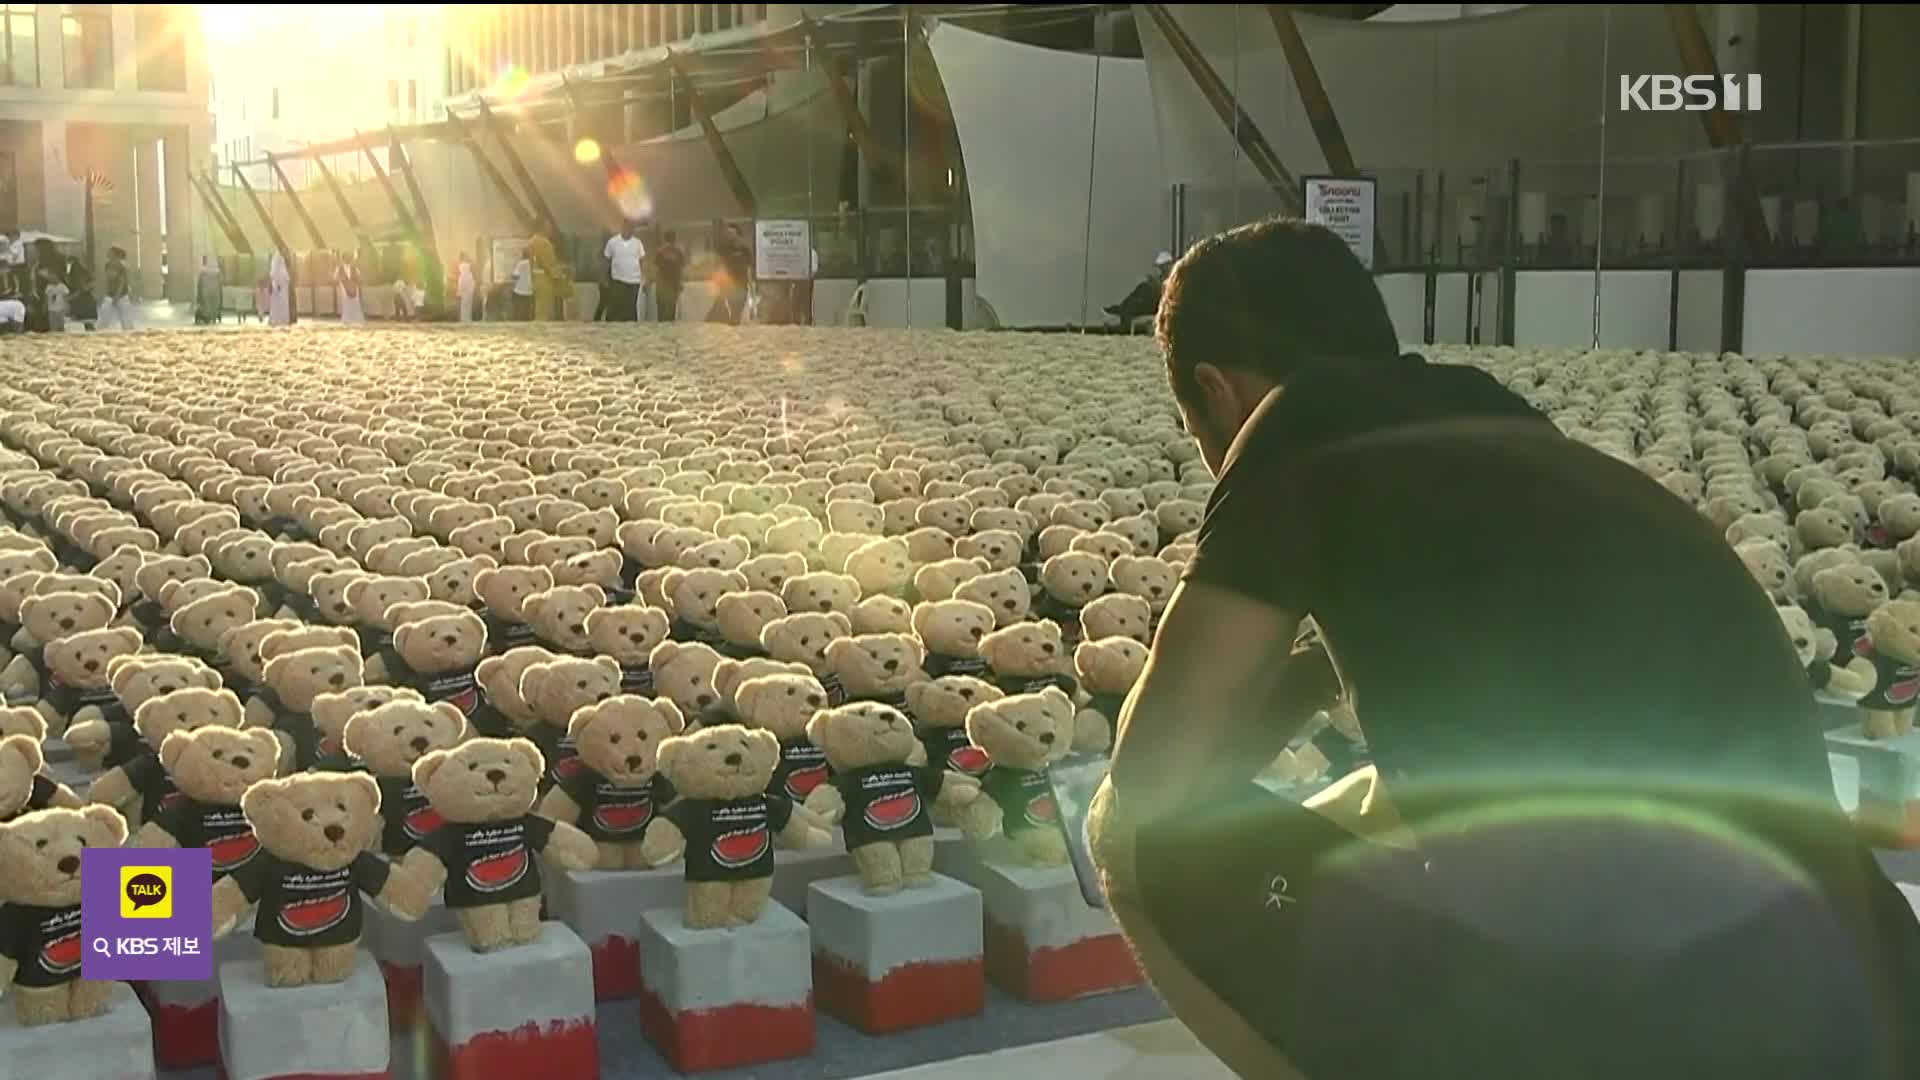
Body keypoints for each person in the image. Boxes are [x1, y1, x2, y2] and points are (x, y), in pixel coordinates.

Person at [1087, 218, 1920, 1080]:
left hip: (1647, 1018)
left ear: (1217, 391)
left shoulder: (1298, 426)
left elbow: (1155, 774)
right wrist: (1315, 675)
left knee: (1128, 831)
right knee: (1374, 800)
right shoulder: (1506, 425)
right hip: (1856, 986)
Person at [1104, 251, 1174, 327]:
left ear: (1168, 264)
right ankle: (1123, 310)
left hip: (1161, 305)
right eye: (1160, 266)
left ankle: (1121, 310)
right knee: (1135, 299)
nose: (1161, 269)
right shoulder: (1162, 277)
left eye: (1162, 266)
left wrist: (1156, 286)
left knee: (1144, 288)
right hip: (1151, 303)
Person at [707, 224, 752, 324]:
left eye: (732, 233)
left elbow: (749, 266)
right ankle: (733, 324)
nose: (729, 235)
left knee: (738, 308)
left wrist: (750, 281)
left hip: (742, 282)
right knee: (732, 307)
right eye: (728, 233)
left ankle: (735, 322)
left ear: (738, 234)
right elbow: (719, 265)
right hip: (729, 283)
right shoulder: (723, 248)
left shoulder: (744, 248)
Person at [602, 220, 645, 322]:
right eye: (627, 227)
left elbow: (642, 260)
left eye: (631, 228)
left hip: (634, 281)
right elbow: (606, 260)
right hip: (618, 280)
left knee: (631, 308)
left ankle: (631, 330)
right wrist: (604, 278)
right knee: (617, 308)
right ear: (622, 228)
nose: (629, 230)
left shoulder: (638, 243)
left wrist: (643, 277)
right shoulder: (613, 242)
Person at [526, 227, 564, 321]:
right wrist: (553, 274)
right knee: (545, 306)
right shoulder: (542, 242)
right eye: (547, 227)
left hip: (536, 276)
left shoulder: (531, 242)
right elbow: (543, 261)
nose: (549, 229)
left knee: (540, 305)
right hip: (544, 277)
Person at [653, 229, 685, 323]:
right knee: (671, 310)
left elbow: (656, 269)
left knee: (661, 310)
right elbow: (681, 269)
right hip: (673, 284)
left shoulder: (660, 251)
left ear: (665, 239)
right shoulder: (679, 251)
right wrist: (680, 282)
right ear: (675, 239)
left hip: (662, 285)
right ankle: (670, 331)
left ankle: (662, 330)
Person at [97, 246, 133, 331]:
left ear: (114, 254)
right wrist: (105, 293)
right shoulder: (107, 265)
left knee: (126, 318)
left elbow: (122, 282)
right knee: (104, 313)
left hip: (122, 295)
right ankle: (100, 330)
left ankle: (129, 332)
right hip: (110, 294)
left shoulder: (121, 266)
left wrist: (117, 296)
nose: (108, 253)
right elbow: (107, 281)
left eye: (110, 252)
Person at [335, 252, 365, 324]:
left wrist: (355, 281)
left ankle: (356, 318)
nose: (347, 260)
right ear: (343, 259)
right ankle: (346, 319)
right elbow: (335, 278)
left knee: (355, 302)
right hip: (344, 288)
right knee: (346, 303)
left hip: (354, 287)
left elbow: (359, 278)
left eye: (349, 258)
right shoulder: (339, 268)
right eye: (346, 258)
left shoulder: (355, 268)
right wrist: (342, 280)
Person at [194, 255, 222, 325]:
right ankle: (213, 319)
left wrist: (199, 294)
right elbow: (220, 283)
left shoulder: (202, 272)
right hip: (215, 291)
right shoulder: (217, 271)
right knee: (214, 305)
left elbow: (200, 284)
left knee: (207, 305)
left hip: (205, 291)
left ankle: (208, 318)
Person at [267, 252, 291, 326]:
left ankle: (282, 320)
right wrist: (276, 284)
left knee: (282, 303)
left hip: (282, 283)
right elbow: (274, 271)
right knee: (277, 303)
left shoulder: (281, 257)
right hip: (278, 284)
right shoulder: (276, 256)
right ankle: (277, 320)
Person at [510, 251, 534, 321]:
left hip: (519, 290)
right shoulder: (532, 263)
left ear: (523, 255)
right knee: (527, 308)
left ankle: (518, 320)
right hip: (529, 290)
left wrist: (510, 275)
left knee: (518, 309)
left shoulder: (521, 263)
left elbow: (515, 276)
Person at [456, 252, 476, 323]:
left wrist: (459, 291)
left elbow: (461, 282)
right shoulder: (467, 270)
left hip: (466, 288)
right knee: (467, 304)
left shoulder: (463, 270)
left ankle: (465, 319)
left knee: (464, 305)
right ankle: (466, 318)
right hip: (469, 288)